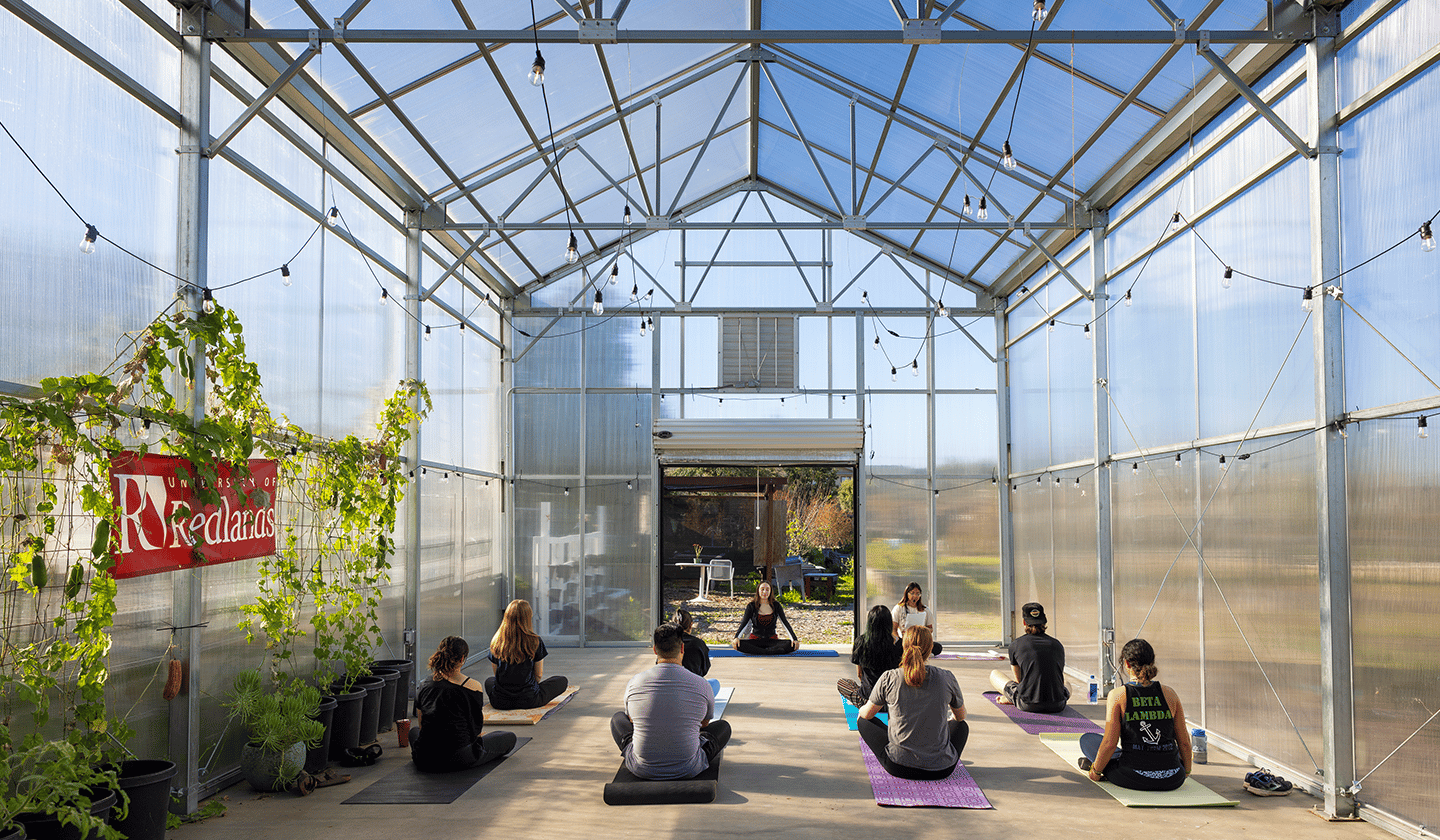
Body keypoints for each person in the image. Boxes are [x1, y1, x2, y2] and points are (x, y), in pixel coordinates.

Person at [611, 623, 732, 780]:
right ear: (682, 648)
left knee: (617, 719)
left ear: (655, 650)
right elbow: (704, 724)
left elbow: (632, 720)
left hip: (642, 768)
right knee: (723, 727)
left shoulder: (635, 682)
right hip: (688, 768)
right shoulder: (702, 684)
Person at [1078, 638, 1192, 791]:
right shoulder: (1170, 694)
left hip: (1132, 777)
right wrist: (1186, 771)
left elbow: (1109, 743)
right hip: (1173, 778)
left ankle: (1100, 765)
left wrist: (1096, 772)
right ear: (1152, 662)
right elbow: (1184, 743)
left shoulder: (1118, 695)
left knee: (1087, 740)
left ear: (1126, 663)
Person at [857, 626, 968, 780]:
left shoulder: (890, 677)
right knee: (962, 726)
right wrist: (948, 720)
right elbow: (961, 717)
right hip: (942, 769)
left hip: (898, 766)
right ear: (930, 649)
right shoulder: (946, 677)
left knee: (862, 721)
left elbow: (867, 714)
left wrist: (861, 709)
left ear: (904, 646)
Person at [409, 636, 517, 772]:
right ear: (462, 659)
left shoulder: (423, 685)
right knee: (509, 738)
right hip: (460, 757)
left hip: (425, 758)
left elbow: (421, 725)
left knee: (414, 731)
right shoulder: (472, 686)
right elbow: (475, 731)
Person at [485, 599, 569, 710]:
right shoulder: (535, 641)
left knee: (489, 681)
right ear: (528, 618)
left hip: (500, 701)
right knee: (562, 680)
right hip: (529, 700)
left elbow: (497, 674)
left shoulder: (496, 641)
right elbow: (538, 675)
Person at [988, 601, 1070, 712]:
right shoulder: (1057, 645)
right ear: (1044, 620)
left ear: (1024, 622)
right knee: (1067, 684)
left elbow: (1019, 680)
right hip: (1058, 704)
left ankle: (1011, 698)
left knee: (994, 674)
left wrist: (1012, 696)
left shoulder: (1015, 645)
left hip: (1027, 704)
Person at [837, 605, 902, 707]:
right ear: (889, 623)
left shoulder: (861, 642)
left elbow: (859, 674)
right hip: (892, 700)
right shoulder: (899, 644)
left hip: (869, 699)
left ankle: (866, 703)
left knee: (842, 683)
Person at [731, 581, 800, 655]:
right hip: (756, 640)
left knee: (791, 645)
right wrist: (736, 637)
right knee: (739, 644)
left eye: (767, 589)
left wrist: (794, 639)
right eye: (762, 589)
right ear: (758, 591)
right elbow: (744, 623)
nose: (764, 592)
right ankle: (769, 651)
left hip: (772, 640)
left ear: (770, 591)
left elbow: (785, 623)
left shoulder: (776, 605)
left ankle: (761, 652)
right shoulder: (751, 606)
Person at [673, 608, 720, 696]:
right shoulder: (698, 643)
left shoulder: (667, 642)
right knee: (714, 683)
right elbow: (705, 668)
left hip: (670, 690)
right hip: (693, 691)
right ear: (691, 625)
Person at [892, 582, 943, 655]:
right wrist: (899, 639)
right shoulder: (899, 608)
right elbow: (893, 629)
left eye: (918, 594)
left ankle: (914, 652)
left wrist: (922, 631)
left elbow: (930, 629)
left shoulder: (925, 609)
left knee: (938, 647)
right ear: (907, 594)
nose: (915, 596)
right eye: (912, 593)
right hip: (905, 640)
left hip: (920, 641)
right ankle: (917, 652)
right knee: (895, 648)